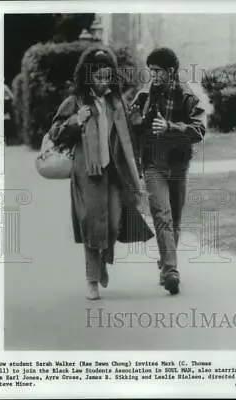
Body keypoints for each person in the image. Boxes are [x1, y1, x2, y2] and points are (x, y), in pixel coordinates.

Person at [48, 44, 154, 300]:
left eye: (108, 76)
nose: (103, 81)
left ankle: (103, 259)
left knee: (115, 223)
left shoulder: (116, 103)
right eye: (98, 76)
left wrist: (139, 121)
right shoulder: (75, 103)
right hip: (87, 174)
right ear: (88, 76)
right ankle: (92, 280)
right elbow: (54, 134)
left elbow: (130, 137)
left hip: (115, 173)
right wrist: (77, 120)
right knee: (92, 227)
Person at [129, 47, 206, 295]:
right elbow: (133, 129)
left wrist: (171, 127)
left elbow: (199, 131)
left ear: (171, 71)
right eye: (151, 71)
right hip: (153, 164)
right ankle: (171, 272)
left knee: (175, 219)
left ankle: (166, 259)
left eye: (158, 71)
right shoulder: (143, 96)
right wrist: (137, 124)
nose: (154, 75)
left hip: (178, 165)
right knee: (162, 215)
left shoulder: (186, 95)